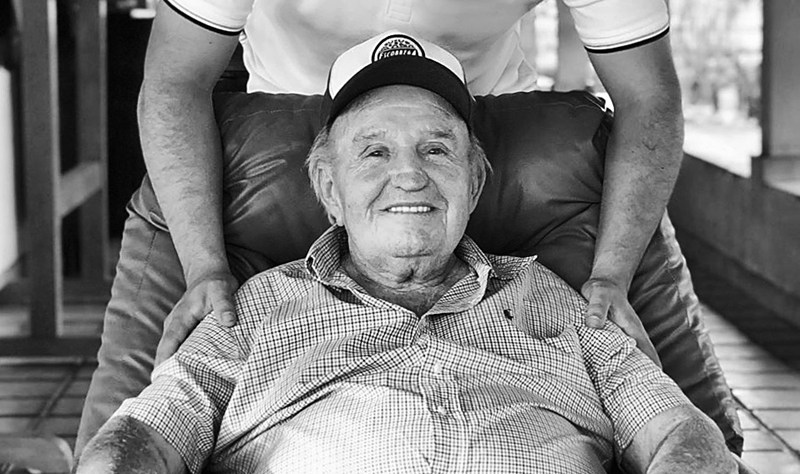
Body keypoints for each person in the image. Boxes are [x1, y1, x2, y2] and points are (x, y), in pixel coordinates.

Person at [75, 32, 734, 474]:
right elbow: (140, 442)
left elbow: (683, 436)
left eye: (437, 148)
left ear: (475, 183)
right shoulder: (251, 313)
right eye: (374, 152)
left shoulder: (562, 306)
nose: (410, 176)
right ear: (328, 190)